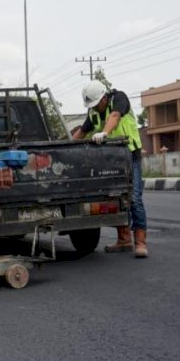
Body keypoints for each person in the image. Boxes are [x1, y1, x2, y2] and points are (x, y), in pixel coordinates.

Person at [73, 80, 148, 258]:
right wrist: (62, 147)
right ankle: (124, 239)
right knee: (114, 198)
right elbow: (81, 133)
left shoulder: (119, 99)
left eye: (97, 103)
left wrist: (104, 133)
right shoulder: (93, 113)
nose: (95, 108)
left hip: (130, 157)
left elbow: (114, 116)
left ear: (104, 97)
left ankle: (141, 242)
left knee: (134, 198)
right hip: (110, 161)